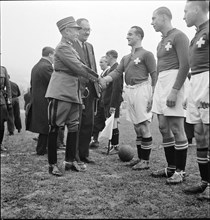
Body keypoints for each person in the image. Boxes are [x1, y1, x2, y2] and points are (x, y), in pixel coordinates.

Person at [45, 16, 98, 176]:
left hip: (74, 93)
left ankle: (69, 161)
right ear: (66, 31)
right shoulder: (62, 48)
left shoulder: (70, 47)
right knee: (55, 127)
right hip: (61, 92)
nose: (78, 32)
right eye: (75, 30)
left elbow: (81, 66)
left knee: (74, 126)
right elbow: (79, 67)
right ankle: (52, 164)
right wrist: (98, 78)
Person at [99, 26, 157, 170]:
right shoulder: (125, 58)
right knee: (137, 127)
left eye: (130, 34)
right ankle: (140, 158)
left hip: (142, 90)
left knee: (143, 126)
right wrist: (105, 78)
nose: (127, 37)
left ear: (139, 36)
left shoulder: (147, 54)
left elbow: (155, 75)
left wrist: (153, 96)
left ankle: (146, 161)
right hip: (129, 91)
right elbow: (117, 72)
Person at [150, 7, 190, 184]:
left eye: (154, 19)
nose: (152, 22)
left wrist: (175, 90)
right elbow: (159, 69)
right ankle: (171, 168)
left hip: (174, 82)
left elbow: (185, 65)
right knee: (163, 127)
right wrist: (155, 91)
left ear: (164, 17)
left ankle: (180, 172)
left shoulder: (179, 36)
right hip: (161, 84)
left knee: (176, 129)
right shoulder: (161, 42)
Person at [183, 0, 209, 201]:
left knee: (208, 133)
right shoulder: (196, 34)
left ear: (196, 9)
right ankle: (205, 181)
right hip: (195, 81)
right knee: (199, 133)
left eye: (185, 11)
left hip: (207, 81)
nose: (184, 16)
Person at [72, 18, 99, 164]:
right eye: (84, 29)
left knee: (88, 123)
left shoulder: (90, 46)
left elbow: (92, 67)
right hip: (76, 89)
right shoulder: (71, 45)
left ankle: (84, 154)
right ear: (77, 29)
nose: (87, 32)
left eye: (89, 29)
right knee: (77, 123)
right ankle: (74, 154)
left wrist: (97, 82)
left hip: (90, 90)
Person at [28, 46, 55, 156]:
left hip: (37, 99)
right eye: (54, 55)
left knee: (44, 125)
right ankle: (41, 149)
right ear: (49, 55)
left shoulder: (36, 66)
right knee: (46, 125)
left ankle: (42, 148)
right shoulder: (47, 67)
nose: (55, 58)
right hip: (45, 100)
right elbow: (53, 83)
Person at [101, 50, 124, 153]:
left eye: (106, 57)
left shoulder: (117, 69)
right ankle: (112, 144)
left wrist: (113, 105)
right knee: (111, 124)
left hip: (112, 102)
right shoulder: (112, 69)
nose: (105, 59)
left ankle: (115, 146)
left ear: (110, 56)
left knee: (114, 123)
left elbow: (116, 89)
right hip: (108, 101)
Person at [89, 56, 110, 149]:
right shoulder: (102, 74)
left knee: (108, 121)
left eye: (102, 62)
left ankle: (113, 143)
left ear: (107, 62)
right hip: (100, 101)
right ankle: (95, 139)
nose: (100, 64)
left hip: (106, 101)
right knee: (97, 120)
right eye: (99, 62)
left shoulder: (109, 73)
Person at [0, 65, 12, 152]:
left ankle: (0, 144)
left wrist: (9, 100)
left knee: (1, 124)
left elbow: (8, 86)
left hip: (1, 100)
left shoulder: (3, 69)